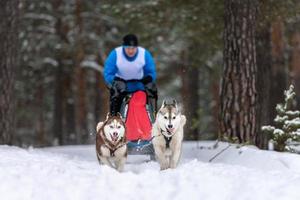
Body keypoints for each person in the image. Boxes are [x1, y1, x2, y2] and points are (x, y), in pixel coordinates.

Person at [104, 34, 157, 116]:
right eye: (128, 48)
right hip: (121, 86)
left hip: (139, 85)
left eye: (133, 48)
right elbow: (108, 74)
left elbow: (151, 72)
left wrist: (148, 79)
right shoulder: (115, 54)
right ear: (123, 47)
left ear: (137, 48)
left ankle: (150, 118)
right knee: (116, 95)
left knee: (150, 92)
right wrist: (115, 81)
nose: (131, 51)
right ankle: (114, 118)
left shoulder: (144, 54)